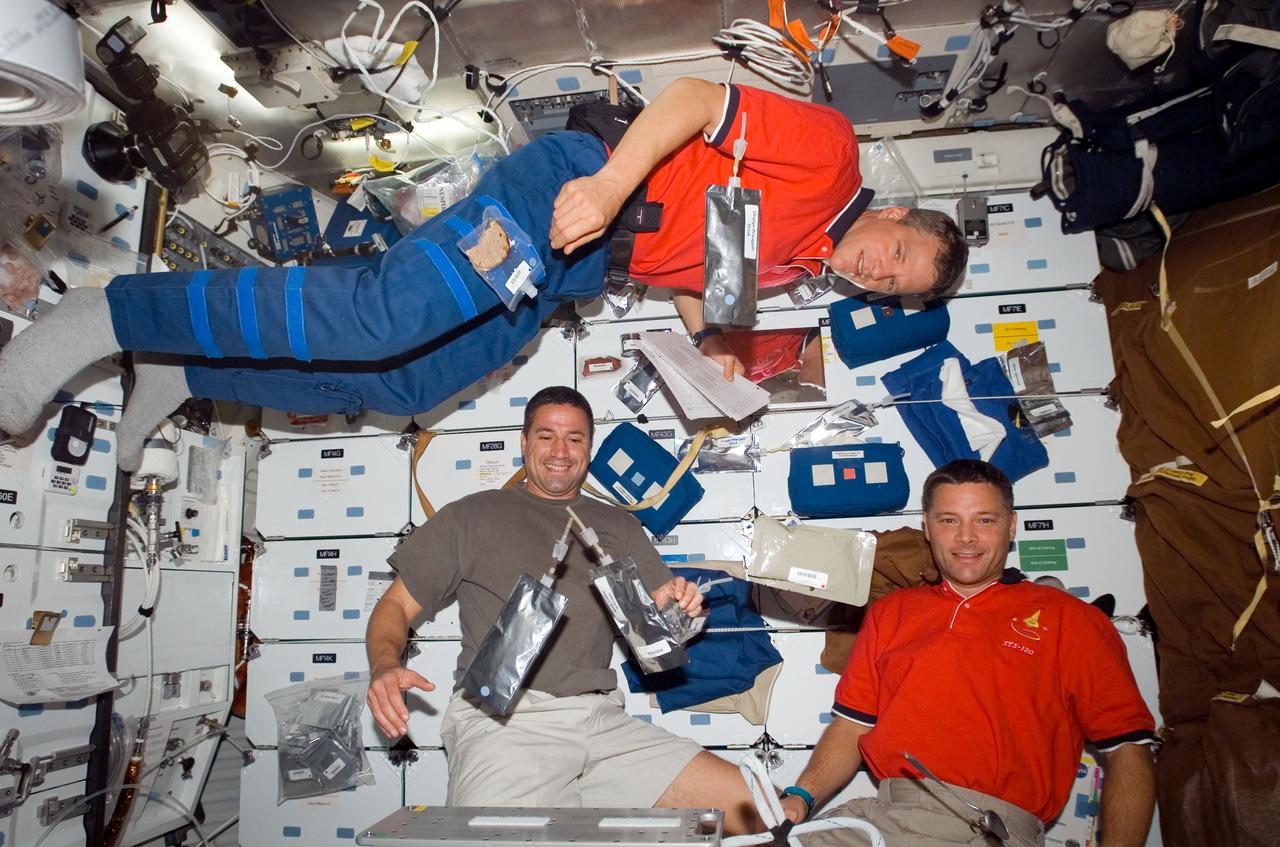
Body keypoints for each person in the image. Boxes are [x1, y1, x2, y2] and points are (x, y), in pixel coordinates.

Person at [0, 78, 967, 468]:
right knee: (385, 315)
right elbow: (690, 100)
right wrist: (611, 185)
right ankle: (108, 318)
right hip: (576, 191)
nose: (879, 273)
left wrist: (708, 350)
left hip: (573, 273)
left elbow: (689, 272)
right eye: (898, 254)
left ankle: (187, 368)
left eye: (892, 288)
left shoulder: (800, 265)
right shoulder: (832, 155)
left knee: (411, 382)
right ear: (891, 214)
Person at [363, 385, 760, 831]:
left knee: (755, 811)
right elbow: (394, 605)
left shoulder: (619, 526)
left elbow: (662, 627)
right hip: (506, 723)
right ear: (524, 441)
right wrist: (383, 666)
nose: (560, 451)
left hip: (603, 721)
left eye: (575, 438)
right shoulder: (470, 517)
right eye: (546, 435)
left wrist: (683, 608)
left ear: (589, 449)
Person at [780, 460, 1157, 847]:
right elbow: (851, 727)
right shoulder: (891, 612)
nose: (966, 538)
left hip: (984, 828)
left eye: (984, 520)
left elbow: (1128, 748)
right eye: (949, 521)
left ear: (1011, 526)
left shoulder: (1072, 620)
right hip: (877, 815)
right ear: (927, 527)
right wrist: (802, 798)